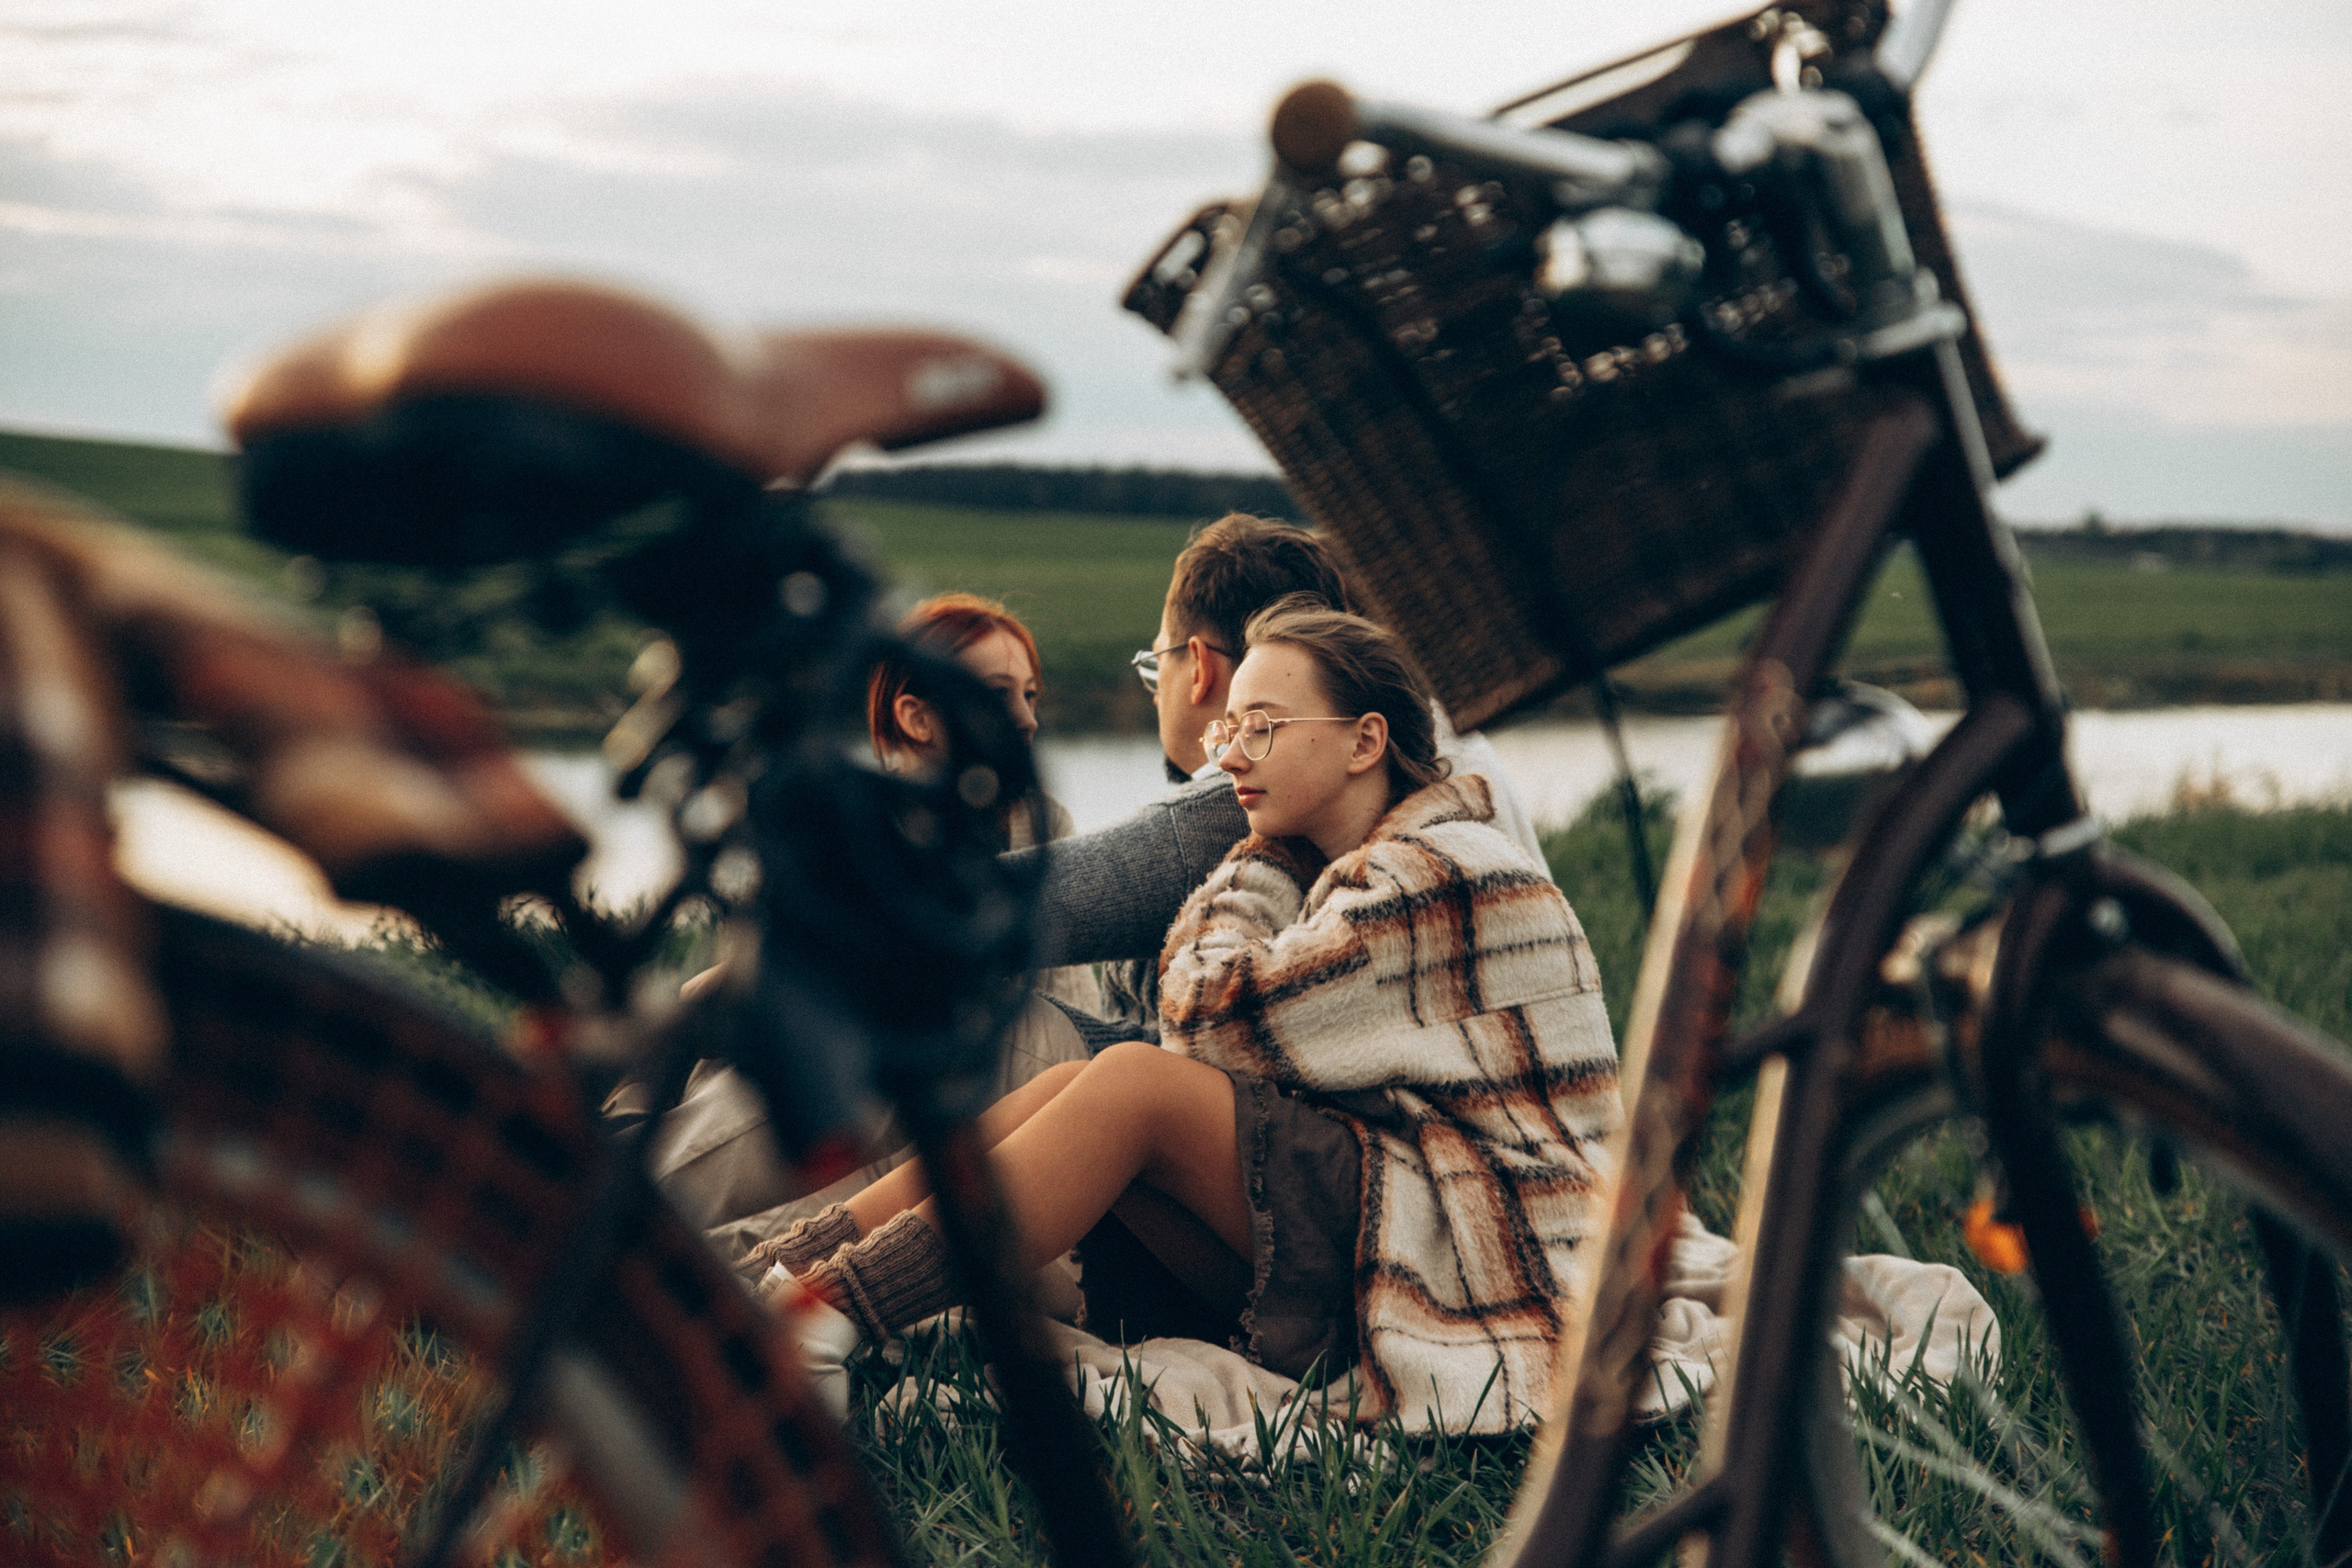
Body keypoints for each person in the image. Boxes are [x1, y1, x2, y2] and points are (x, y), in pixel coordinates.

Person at [763, 599, 1622, 1433]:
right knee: (1074, 1082)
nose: (1231, 756)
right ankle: (786, 1275)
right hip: (1410, 1223)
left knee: (1134, 1086)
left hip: (1478, 1246)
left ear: (1365, 741)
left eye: (1263, 728)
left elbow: (1203, 1023)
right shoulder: (1361, 863)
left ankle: (831, 1312)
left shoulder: (1432, 874)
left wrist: (1254, 865)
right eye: (1229, 728)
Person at [622, 592, 1097, 1250]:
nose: (1026, 718)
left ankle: (601, 1200)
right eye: (997, 694)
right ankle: (662, 1227)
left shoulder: (1036, 826)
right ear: (915, 715)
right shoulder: (861, 828)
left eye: (1030, 695)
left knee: (839, 1049)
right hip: (928, 1076)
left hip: (1022, 1061)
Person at [1012, 512, 1549, 1044]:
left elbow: (998, 911)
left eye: (1158, 664)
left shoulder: (1272, 797)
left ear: (1198, 666)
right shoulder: (1448, 747)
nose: (1231, 758)